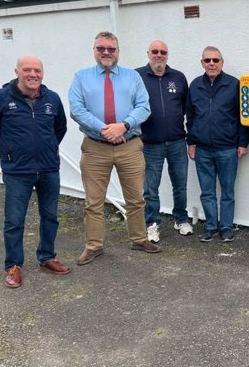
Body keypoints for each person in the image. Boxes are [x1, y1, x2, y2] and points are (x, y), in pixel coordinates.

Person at [69, 31, 160, 265]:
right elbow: (77, 110)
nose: (106, 52)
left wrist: (124, 125)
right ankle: (94, 246)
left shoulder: (132, 77)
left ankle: (139, 239)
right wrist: (105, 129)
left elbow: (144, 107)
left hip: (129, 146)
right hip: (95, 147)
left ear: (118, 51)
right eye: (101, 48)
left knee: (136, 198)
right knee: (93, 202)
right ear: (94, 50)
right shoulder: (81, 77)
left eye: (111, 48)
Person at [0, 55, 70, 288]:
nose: (32, 74)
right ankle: (14, 265)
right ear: (16, 71)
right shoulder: (0, 98)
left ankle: (47, 257)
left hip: (49, 169)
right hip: (18, 171)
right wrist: (5, 154)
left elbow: (60, 128)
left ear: (42, 74)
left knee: (50, 216)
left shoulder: (52, 99)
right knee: (14, 221)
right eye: (27, 70)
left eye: (37, 70)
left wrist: (47, 150)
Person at [186, 46, 249, 242]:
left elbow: (243, 115)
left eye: (215, 60)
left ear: (222, 62)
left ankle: (226, 227)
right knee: (207, 191)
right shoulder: (195, 85)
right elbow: (190, 116)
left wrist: (243, 142)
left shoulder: (234, 84)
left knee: (227, 191)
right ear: (202, 63)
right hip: (202, 148)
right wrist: (191, 141)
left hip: (228, 148)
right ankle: (211, 226)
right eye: (207, 60)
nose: (211, 64)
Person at [136, 39, 192, 243]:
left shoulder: (178, 77)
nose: (159, 55)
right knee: (151, 188)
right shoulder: (137, 76)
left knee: (180, 184)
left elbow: (186, 107)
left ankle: (181, 219)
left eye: (163, 52)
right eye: (155, 51)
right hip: (150, 144)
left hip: (177, 142)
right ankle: (152, 223)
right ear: (148, 53)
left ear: (167, 55)